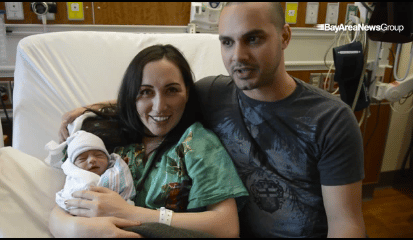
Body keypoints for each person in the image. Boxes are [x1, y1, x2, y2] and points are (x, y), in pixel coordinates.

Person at [59, 2, 366, 238]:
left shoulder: (330, 119)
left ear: (284, 36)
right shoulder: (215, 93)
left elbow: (346, 224)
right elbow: (157, 103)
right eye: (227, 42)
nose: (238, 56)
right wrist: (89, 108)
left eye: (253, 39)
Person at [49, 44, 249, 238]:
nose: (159, 106)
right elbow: (63, 202)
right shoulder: (102, 140)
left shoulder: (197, 143)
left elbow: (227, 227)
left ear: (187, 92)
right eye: (146, 92)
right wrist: (73, 229)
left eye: (171, 90)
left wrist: (130, 213)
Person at [51, 130, 136, 212]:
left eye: (98, 155)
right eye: (82, 159)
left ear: (108, 159)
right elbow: (67, 199)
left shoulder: (117, 172)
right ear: (74, 166)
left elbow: (126, 191)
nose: (92, 160)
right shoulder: (73, 181)